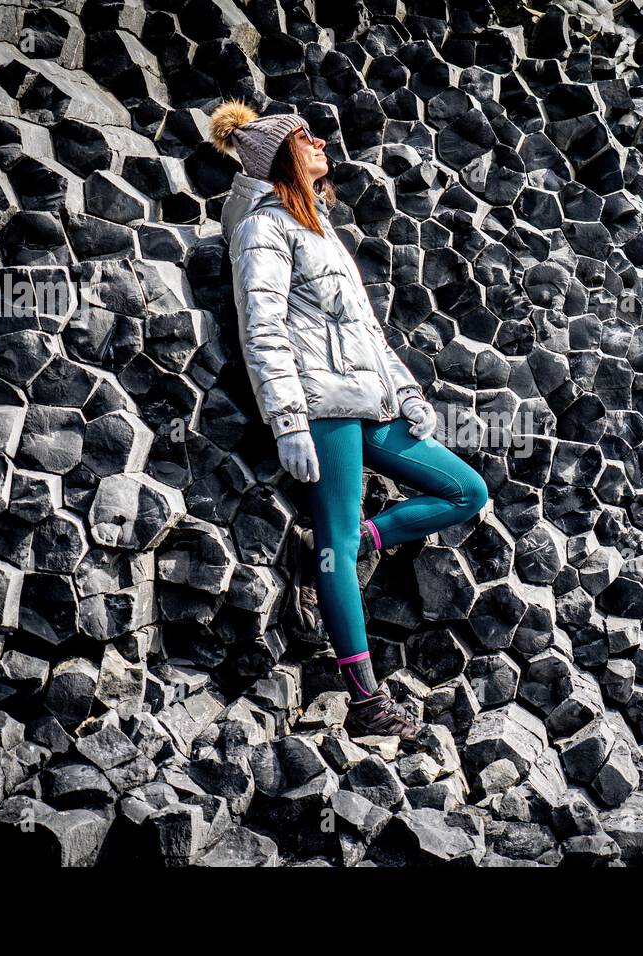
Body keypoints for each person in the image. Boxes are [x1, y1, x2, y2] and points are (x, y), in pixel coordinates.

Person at [209, 100, 489, 742]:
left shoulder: (320, 228)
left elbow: (365, 331)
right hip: (321, 407)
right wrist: (287, 422)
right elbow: (262, 326)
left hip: (370, 402)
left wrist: (408, 391)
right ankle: (365, 701)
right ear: (279, 157)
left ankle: (367, 539)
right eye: (303, 137)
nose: (318, 140)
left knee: (465, 491)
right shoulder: (263, 226)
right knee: (331, 544)